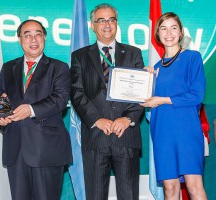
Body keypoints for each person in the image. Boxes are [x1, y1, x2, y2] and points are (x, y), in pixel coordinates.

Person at [70, 3, 145, 200]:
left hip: (126, 135)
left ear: (117, 24)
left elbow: (141, 92)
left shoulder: (133, 53)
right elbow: (76, 93)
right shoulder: (79, 56)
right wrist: (96, 120)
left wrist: (127, 119)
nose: (107, 24)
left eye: (111, 19)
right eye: (101, 20)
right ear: (92, 25)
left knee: (129, 195)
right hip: (96, 136)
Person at [0, 19, 72, 200]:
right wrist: (0, 118)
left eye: (38, 34)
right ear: (19, 39)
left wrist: (30, 109)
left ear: (45, 37)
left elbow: (60, 99)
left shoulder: (59, 67)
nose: (33, 39)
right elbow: (0, 98)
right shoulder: (8, 68)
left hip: (47, 149)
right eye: (27, 35)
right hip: (15, 148)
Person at [141, 12, 207, 200]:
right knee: (169, 188)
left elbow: (196, 95)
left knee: (194, 186)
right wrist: (146, 81)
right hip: (162, 131)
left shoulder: (192, 57)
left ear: (180, 33)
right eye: (163, 28)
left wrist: (161, 99)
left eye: (173, 28)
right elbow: (146, 100)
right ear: (157, 34)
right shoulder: (154, 68)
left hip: (186, 129)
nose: (168, 33)